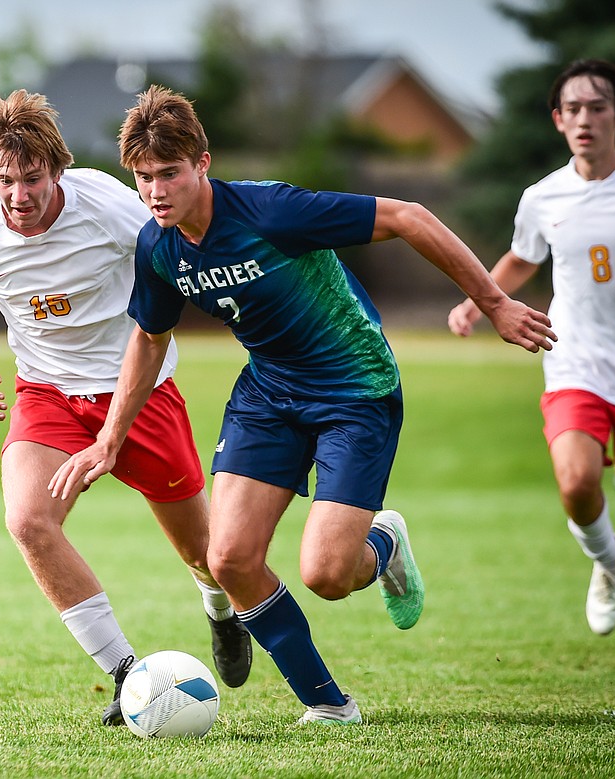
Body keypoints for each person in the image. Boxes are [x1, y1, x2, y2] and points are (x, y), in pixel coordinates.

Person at [50, 85, 556, 725]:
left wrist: (494, 303)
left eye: (170, 174)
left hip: (353, 390)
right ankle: (329, 705)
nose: (155, 192)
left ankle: (381, 543)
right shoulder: (158, 247)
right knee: (227, 558)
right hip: (269, 393)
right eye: (143, 178)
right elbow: (149, 338)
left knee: (327, 574)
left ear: (203, 163)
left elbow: (410, 217)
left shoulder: (271, 211)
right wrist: (109, 439)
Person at [0, 89, 252, 727]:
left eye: (33, 179)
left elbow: (174, 253)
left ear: (58, 167)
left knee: (206, 553)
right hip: (46, 393)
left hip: (139, 392)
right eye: (5, 181)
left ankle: (219, 610)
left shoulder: (105, 202)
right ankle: (130, 678)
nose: (19, 196)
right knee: (28, 522)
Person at [447, 59, 615, 678]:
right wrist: (478, 300)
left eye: (596, 107)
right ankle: (607, 560)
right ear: (557, 121)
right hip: (573, 361)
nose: (583, 119)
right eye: (571, 109)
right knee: (575, 483)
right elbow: (521, 259)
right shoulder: (542, 196)